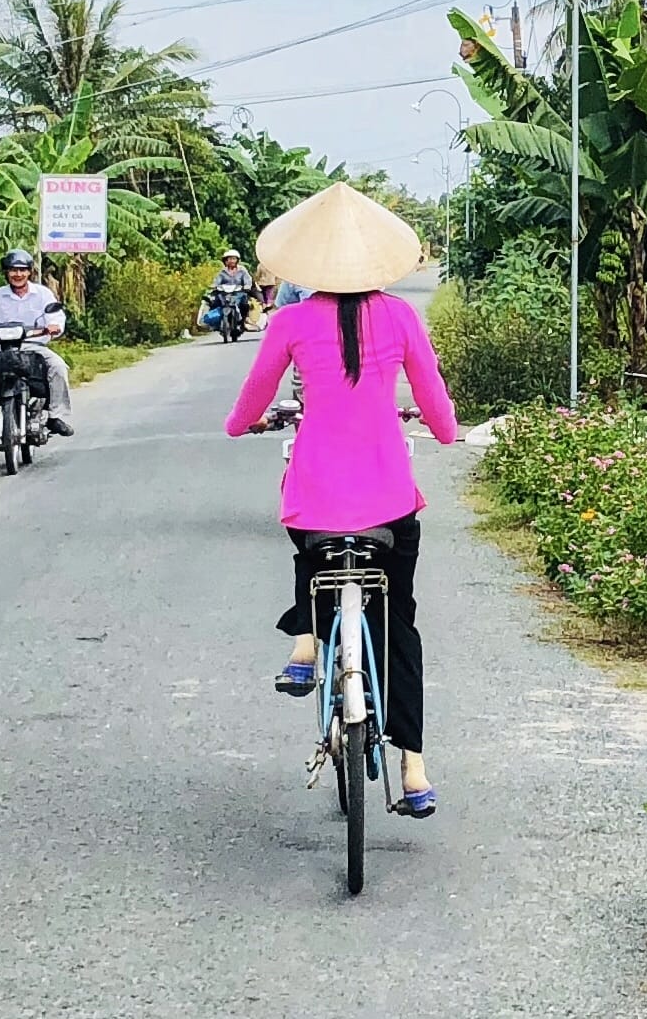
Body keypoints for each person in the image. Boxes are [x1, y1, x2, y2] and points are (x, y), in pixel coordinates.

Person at [224, 182, 460, 817]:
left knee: (311, 550)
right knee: (399, 623)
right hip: (389, 499)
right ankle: (414, 769)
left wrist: (243, 424)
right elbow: (436, 404)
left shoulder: (291, 321)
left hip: (315, 493)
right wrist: (446, 431)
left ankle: (306, 642)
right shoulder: (400, 316)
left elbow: (250, 401)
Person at [0, 249, 73, 442]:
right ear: (6, 273)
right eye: (13, 270)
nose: (18, 274)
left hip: (34, 346)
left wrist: (54, 326)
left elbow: (55, 316)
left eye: (22, 270)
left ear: (30, 271)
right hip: (1, 348)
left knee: (59, 367)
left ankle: (55, 417)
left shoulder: (43, 294)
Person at [207, 249, 258, 330]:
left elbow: (247, 279)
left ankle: (244, 320)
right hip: (224, 293)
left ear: (237, 260)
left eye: (234, 259)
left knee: (244, 304)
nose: (232, 261)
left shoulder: (242, 270)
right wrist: (214, 285)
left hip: (238, 292)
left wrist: (247, 286)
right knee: (214, 302)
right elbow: (217, 281)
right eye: (229, 259)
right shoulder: (222, 271)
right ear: (226, 261)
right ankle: (214, 322)